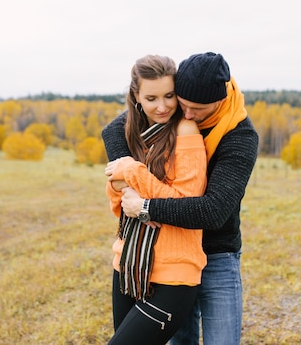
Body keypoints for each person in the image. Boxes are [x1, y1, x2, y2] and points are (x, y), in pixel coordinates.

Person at [102, 52, 259, 345]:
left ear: (221, 99)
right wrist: (122, 173)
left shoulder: (239, 136)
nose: (185, 115)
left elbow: (212, 211)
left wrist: (144, 204)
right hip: (164, 250)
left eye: (196, 109)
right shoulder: (172, 108)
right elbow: (114, 129)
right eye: (182, 105)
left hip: (216, 253)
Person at [103, 54, 208, 345]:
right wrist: (121, 185)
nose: (162, 107)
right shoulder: (131, 133)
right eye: (151, 98)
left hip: (173, 275)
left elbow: (186, 203)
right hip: (128, 264)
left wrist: (131, 172)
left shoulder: (185, 132)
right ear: (136, 96)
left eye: (169, 96)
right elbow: (121, 208)